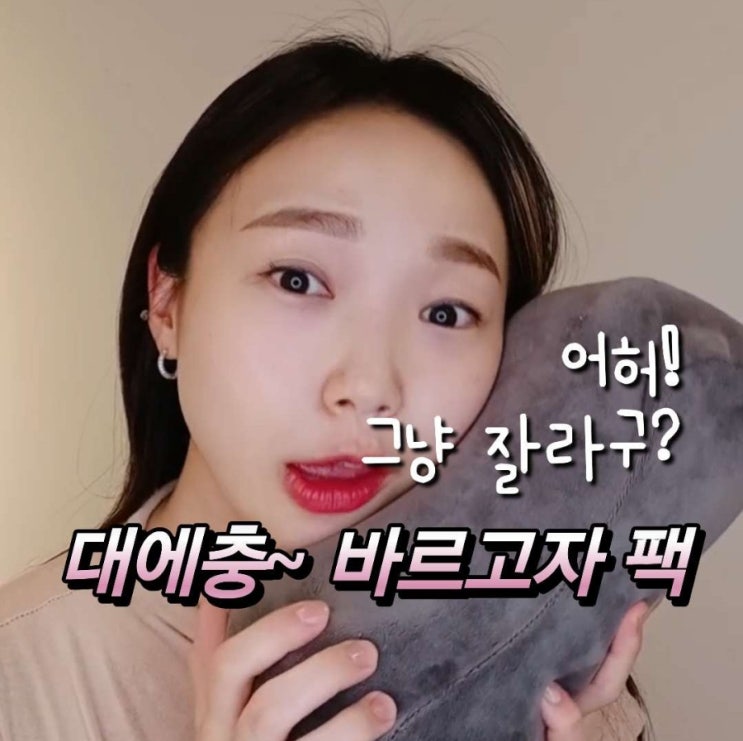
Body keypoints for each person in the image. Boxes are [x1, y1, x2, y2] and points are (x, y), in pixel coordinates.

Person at [0, 32, 653, 741]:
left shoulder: (564, 690)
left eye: (446, 312)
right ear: (167, 303)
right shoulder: (23, 677)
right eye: (297, 279)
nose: (369, 387)